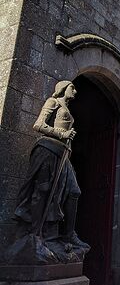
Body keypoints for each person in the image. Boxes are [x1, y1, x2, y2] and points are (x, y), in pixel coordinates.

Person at [14, 80, 88, 250]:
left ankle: (68, 235)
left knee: (73, 191)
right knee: (43, 189)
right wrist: (62, 133)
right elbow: (38, 124)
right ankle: (35, 233)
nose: (75, 91)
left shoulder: (67, 108)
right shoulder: (52, 102)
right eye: (72, 88)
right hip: (47, 149)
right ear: (62, 88)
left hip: (62, 152)